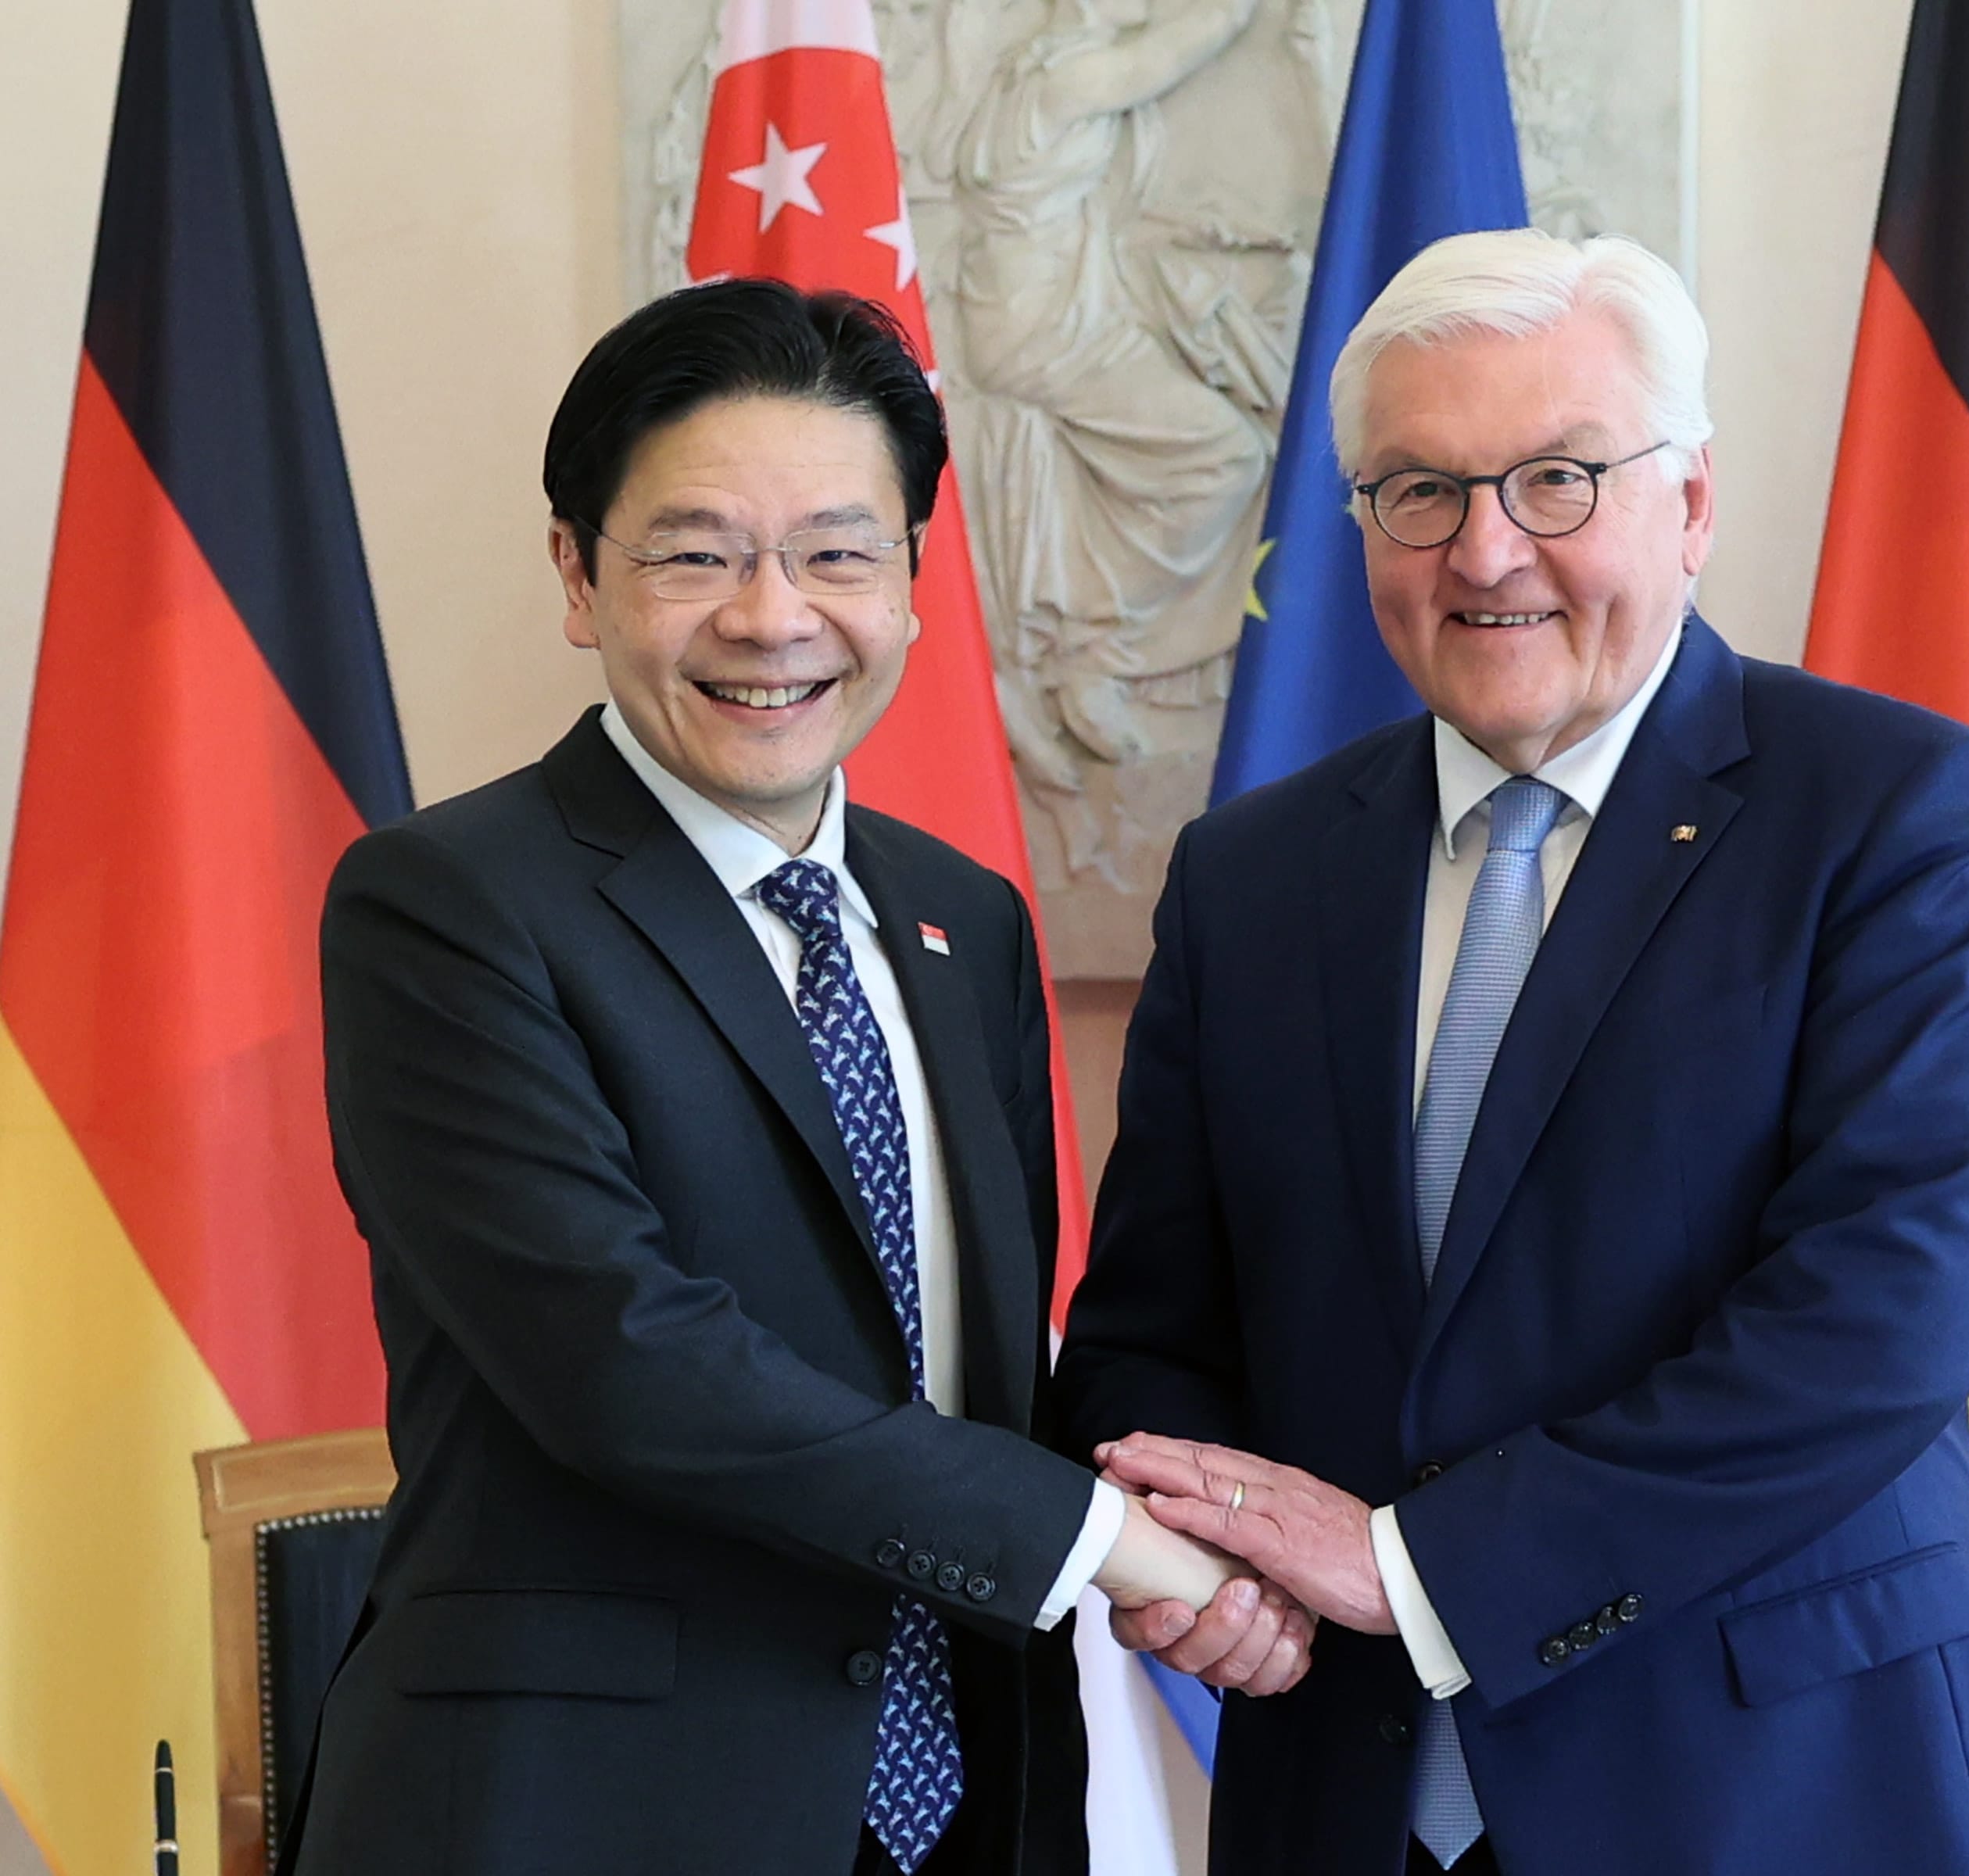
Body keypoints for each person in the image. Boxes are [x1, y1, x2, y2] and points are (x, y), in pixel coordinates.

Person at [1054, 229, 1969, 1875]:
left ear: (1695, 503)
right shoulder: (1252, 874)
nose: (1486, 549)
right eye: (1418, 490)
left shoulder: (1893, 817)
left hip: (1778, 1792)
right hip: (1345, 1796)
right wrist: (1200, 1563)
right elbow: (1155, 1330)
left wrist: (1423, 1571)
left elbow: (1875, 1329)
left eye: (1559, 479)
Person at [282, 278, 1301, 1876]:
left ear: (908, 583)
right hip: (591, 1812)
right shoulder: (450, 904)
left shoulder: (965, 918)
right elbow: (629, 1361)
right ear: (577, 572)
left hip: (972, 1793)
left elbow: (993, 1368)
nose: (773, 617)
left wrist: (1228, 1526)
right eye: (697, 553)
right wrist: (1115, 1551)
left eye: (838, 553)